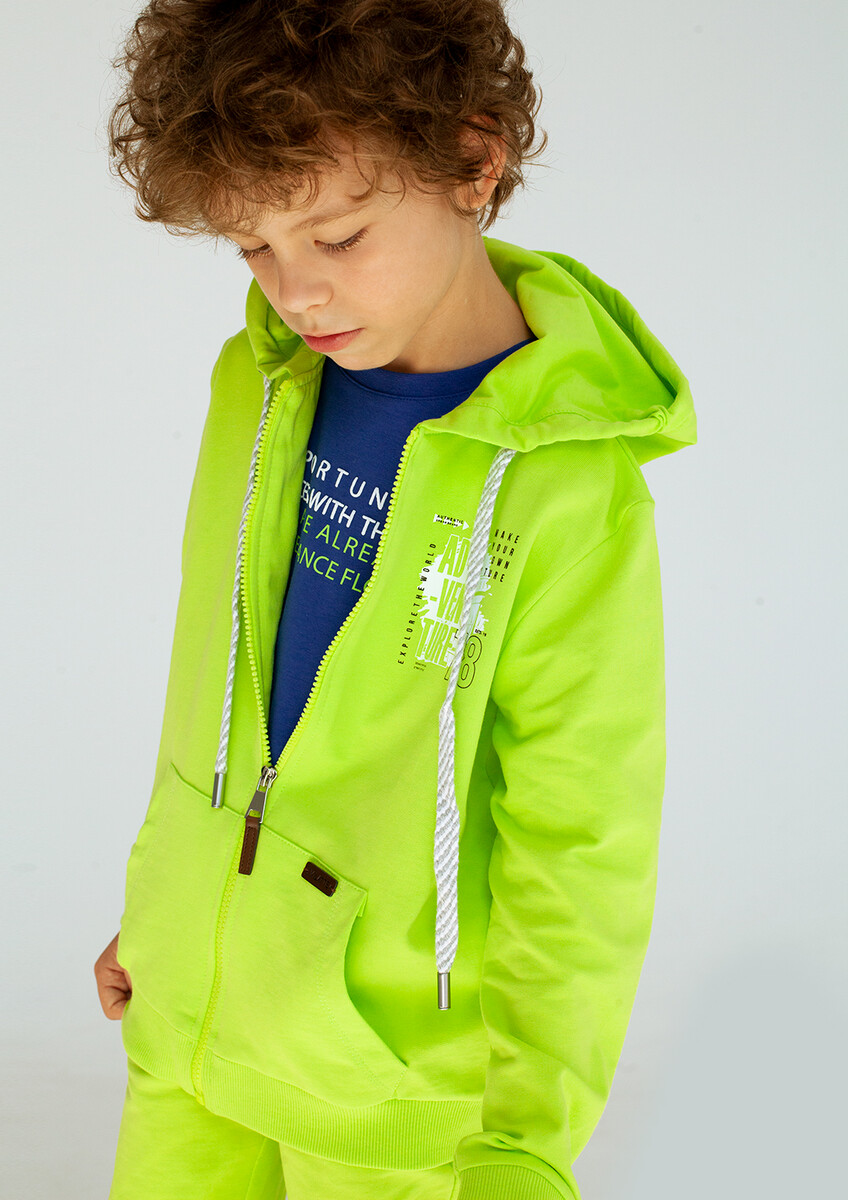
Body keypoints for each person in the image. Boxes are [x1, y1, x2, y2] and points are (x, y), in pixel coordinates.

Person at [94, 2, 697, 1197]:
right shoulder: (258, 384)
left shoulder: (572, 494)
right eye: (255, 248)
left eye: (339, 234)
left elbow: (583, 841)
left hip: (394, 1104)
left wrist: (526, 1139)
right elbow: (220, 692)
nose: (298, 292)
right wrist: (178, 911)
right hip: (189, 1033)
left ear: (473, 161)